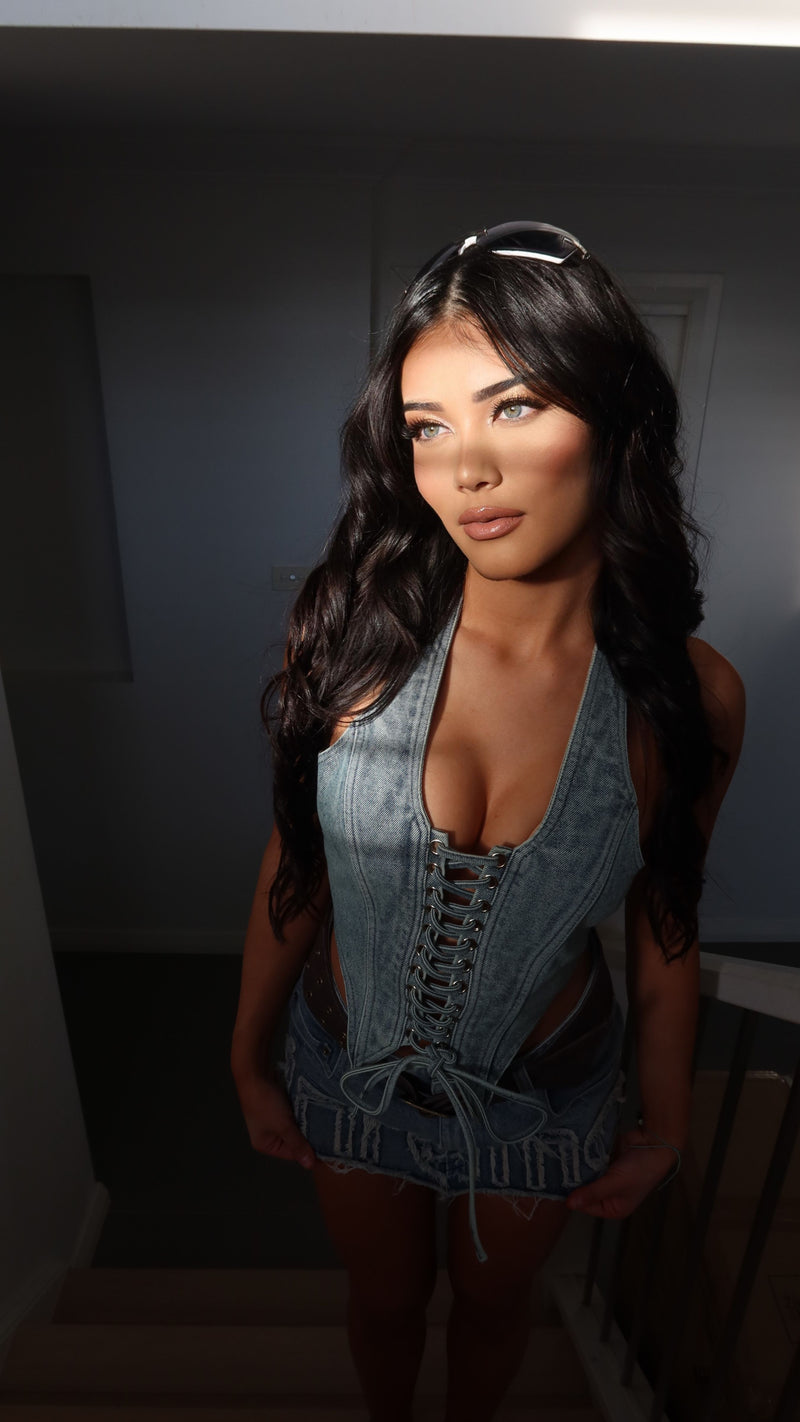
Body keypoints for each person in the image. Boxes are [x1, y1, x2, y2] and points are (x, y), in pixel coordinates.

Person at [231, 221, 746, 1422]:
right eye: (426, 427)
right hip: (344, 1080)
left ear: (614, 420)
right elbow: (295, 865)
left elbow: (664, 919)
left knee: (494, 1309)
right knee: (381, 1308)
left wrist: (663, 1127)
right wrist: (246, 1058)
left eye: (513, 407)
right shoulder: (352, 642)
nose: (465, 468)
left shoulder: (686, 697)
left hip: (543, 1104)